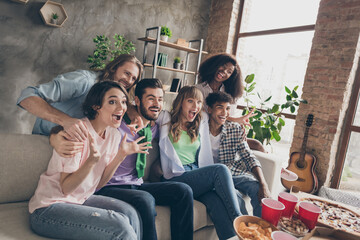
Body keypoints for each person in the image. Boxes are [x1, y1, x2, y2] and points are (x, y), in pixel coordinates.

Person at [51, 78, 194, 240]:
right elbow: (77, 125)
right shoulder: (115, 124)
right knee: (144, 199)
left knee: (183, 191)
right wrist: (55, 137)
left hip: (136, 184)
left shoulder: (155, 126)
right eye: (151, 98)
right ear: (137, 101)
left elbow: (177, 119)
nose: (156, 103)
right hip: (109, 186)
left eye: (160, 99)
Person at [29, 81, 151, 240]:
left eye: (123, 101)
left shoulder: (113, 135)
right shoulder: (77, 132)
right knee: (119, 226)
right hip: (48, 209)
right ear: (96, 106)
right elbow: (66, 188)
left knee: (130, 212)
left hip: (80, 200)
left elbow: (98, 185)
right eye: (112, 101)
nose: (121, 107)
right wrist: (91, 162)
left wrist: (121, 154)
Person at [156, 86, 241, 240]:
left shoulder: (199, 122)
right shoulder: (165, 119)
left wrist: (238, 123)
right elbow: (146, 112)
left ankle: (234, 237)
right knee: (219, 170)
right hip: (176, 177)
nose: (195, 106)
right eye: (190, 101)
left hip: (195, 175)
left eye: (199, 102)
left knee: (216, 202)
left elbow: (219, 116)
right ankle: (240, 220)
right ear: (180, 102)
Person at [17, 54, 143, 142]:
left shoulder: (117, 97)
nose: (128, 81)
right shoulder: (84, 81)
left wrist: (134, 115)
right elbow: (27, 96)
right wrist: (66, 120)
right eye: (127, 73)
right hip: (46, 139)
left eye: (133, 79)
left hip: (80, 147)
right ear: (114, 68)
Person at [205, 92, 271, 217]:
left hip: (233, 172)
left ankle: (262, 230)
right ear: (209, 109)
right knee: (236, 197)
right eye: (220, 107)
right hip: (211, 177)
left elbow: (248, 156)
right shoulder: (199, 129)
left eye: (228, 108)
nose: (225, 113)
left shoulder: (234, 129)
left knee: (259, 191)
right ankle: (245, 230)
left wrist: (263, 184)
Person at [195, 53, 266, 153]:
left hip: (225, 132)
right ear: (215, 64)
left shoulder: (231, 92)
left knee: (257, 145)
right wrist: (236, 120)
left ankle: (276, 169)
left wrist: (238, 125)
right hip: (204, 132)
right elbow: (202, 115)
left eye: (229, 72)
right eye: (223, 67)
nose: (224, 72)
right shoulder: (198, 89)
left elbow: (227, 116)